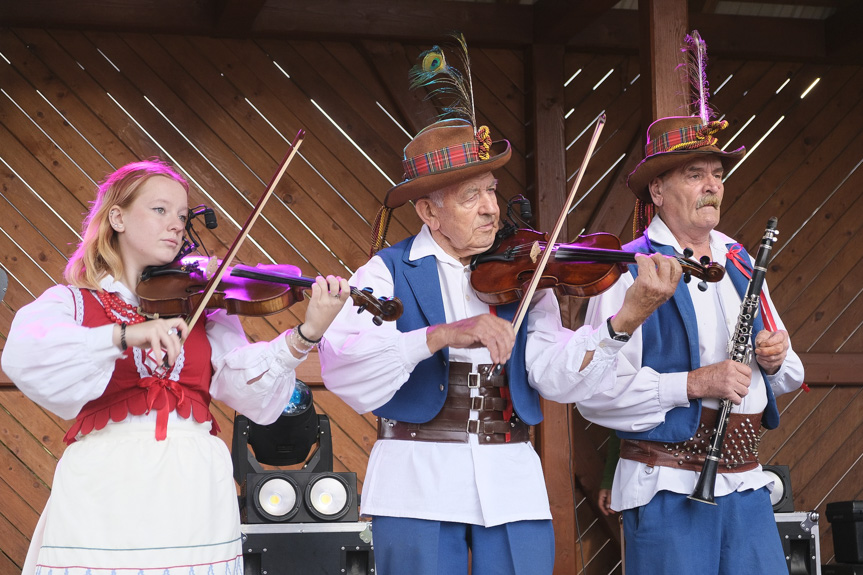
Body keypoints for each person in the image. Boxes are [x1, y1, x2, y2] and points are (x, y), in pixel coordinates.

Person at [318, 117, 682, 575]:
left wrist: (624, 320)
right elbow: (342, 364)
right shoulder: (386, 271)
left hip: (511, 476)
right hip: (415, 479)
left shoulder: (526, 273)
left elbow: (551, 373)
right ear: (429, 213)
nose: (491, 208)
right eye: (471, 197)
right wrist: (438, 336)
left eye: (491, 190)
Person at [2, 160, 349, 575]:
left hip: (193, 483)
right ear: (118, 217)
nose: (177, 226)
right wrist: (123, 336)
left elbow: (249, 392)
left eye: (183, 216)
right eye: (160, 210)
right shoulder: (72, 303)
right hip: (105, 483)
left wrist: (306, 333)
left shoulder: (200, 306)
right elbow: (27, 355)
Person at [576, 115, 805, 574]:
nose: (712, 186)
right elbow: (594, 394)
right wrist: (694, 383)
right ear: (657, 191)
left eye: (717, 175)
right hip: (667, 486)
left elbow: (791, 374)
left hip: (745, 485)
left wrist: (776, 358)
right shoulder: (629, 269)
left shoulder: (739, 260)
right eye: (695, 175)